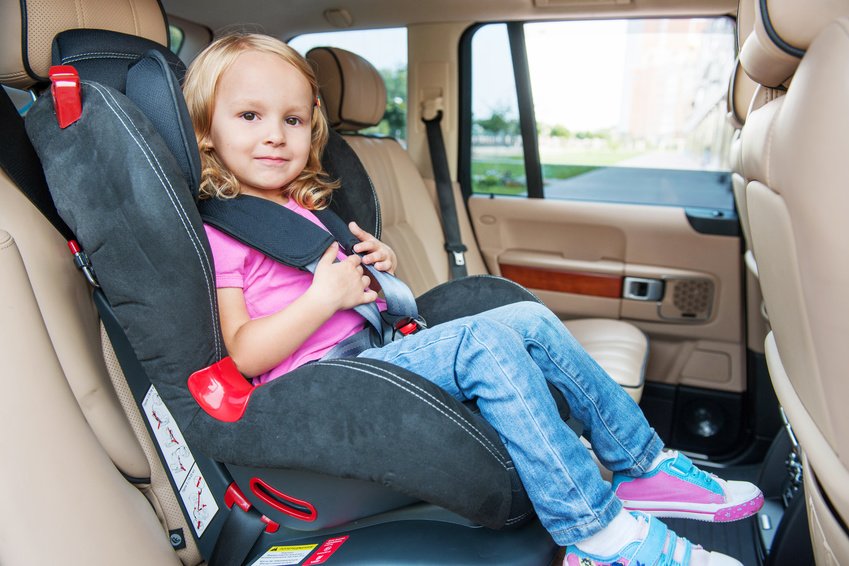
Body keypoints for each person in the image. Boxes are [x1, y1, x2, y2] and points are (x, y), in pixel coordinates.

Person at [183, 33, 763, 566]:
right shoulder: (223, 232)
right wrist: (322, 298)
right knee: (483, 342)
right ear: (207, 130)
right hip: (320, 390)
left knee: (528, 318)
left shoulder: (301, 207)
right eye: (250, 116)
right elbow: (245, 355)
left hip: (369, 355)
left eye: (292, 119)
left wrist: (375, 272)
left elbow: (343, 295)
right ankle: (596, 533)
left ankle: (643, 465)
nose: (275, 135)